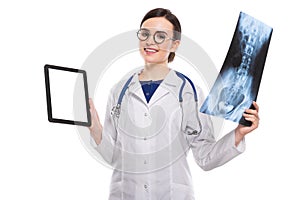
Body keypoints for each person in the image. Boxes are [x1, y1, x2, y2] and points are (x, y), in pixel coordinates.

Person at [88, 8, 259, 200]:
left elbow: (205, 157)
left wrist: (238, 133)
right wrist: (94, 126)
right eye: (145, 34)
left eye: (160, 36)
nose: (150, 41)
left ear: (175, 44)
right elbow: (113, 157)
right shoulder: (119, 90)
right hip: (125, 194)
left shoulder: (189, 92)